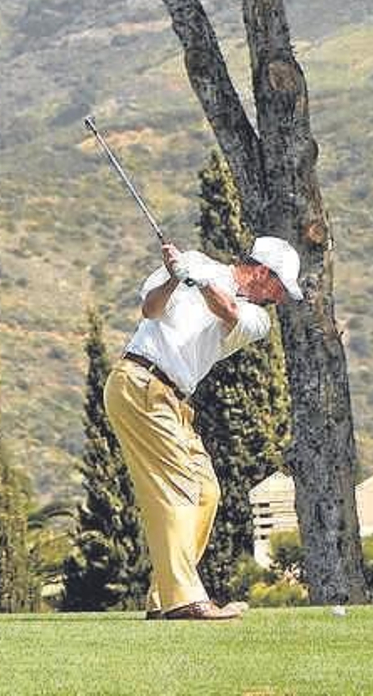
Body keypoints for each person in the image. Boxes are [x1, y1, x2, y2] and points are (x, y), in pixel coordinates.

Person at [104, 233, 302, 621]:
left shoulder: (258, 319)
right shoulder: (195, 262)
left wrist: (199, 278)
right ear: (262, 272)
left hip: (172, 399)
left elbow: (228, 312)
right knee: (179, 486)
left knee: (206, 491)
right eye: (279, 287)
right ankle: (183, 600)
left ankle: (165, 595)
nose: (279, 298)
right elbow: (150, 308)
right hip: (140, 381)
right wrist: (175, 277)